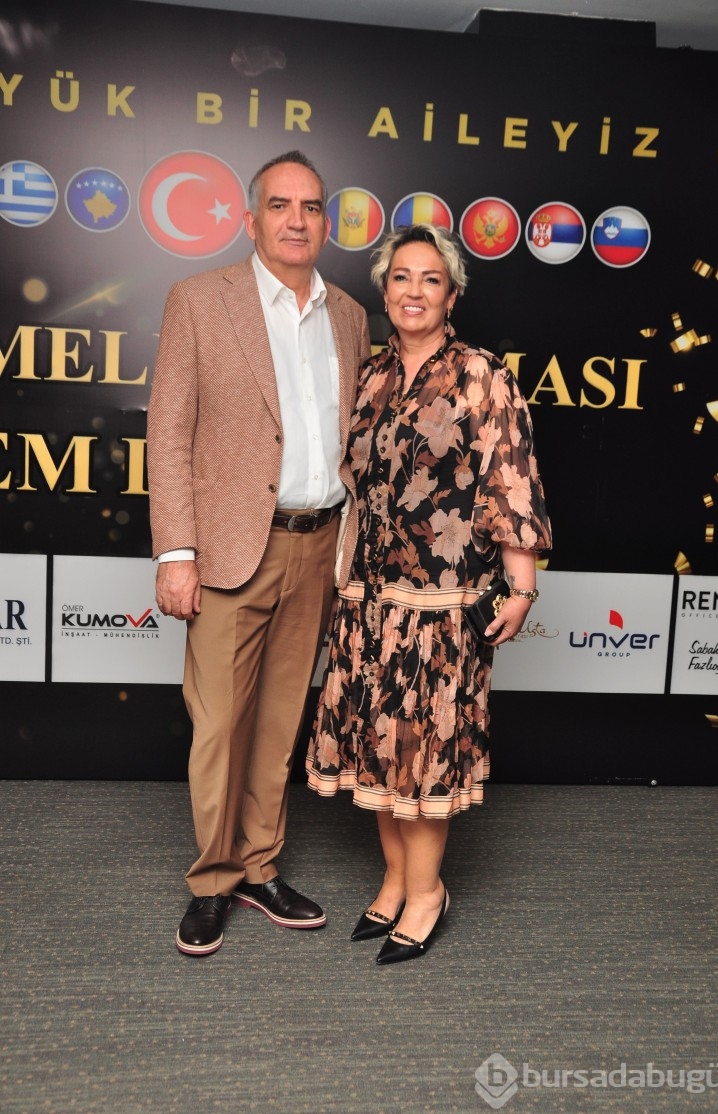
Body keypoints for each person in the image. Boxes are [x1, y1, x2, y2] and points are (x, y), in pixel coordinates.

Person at [306, 223, 551, 964]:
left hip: (442, 607)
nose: (413, 291)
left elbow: (511, 475)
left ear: (452, 295)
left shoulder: (480, 374)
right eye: (401, 278)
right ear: (385, 291)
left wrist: (521, 585)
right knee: (380, 753)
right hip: (368, 598)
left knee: (423, 756)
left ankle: (425, 893)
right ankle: (393, 882)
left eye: (430, 279)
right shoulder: (371, 375)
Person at [147, 150, 371, 956]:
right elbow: (169, 431)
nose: (296, 220)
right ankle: (212, 881)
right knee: (220, 725)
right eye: (280, 205)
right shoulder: (200, 300)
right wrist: (176, 552)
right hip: (230, 550)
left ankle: (259, 867)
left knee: (279, 725)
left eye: (310, 207)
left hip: (319, 548)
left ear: (325, 223)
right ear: (251, 220)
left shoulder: (350, 315)